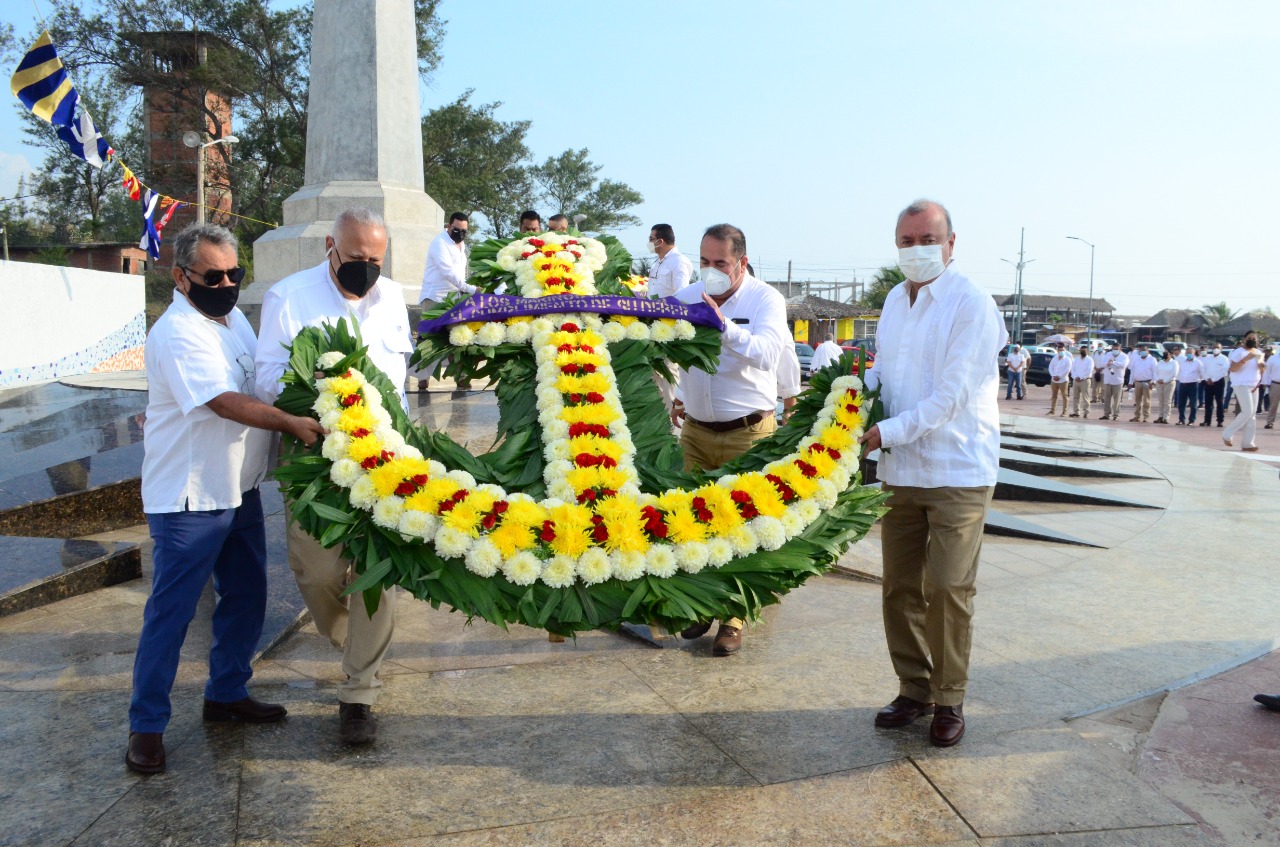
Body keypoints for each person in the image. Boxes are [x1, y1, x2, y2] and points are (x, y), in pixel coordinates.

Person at [126, 224, 324, 775]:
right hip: (190, 498)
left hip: (237, 488)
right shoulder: (178, 331)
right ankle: (146, 727)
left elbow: (261, 377)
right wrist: (290, 422)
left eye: (236, 274)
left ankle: (227, 692)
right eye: (214, 276)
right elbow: (223, 401)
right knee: (172, 613)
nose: (228, 284)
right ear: (181, 277)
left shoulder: (232, 318)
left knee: (246, 596)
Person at [256, 208, 413, 745]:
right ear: (330, 246)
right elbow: (267, 381)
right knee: (318, 571)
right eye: (355, 259)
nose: (365, 269)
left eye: (375, 259)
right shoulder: (289, 297)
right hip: (313, 457)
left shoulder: (392, 298)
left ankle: (359, 693)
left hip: (385, 462)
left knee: (379, 574)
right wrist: (326, 391)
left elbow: (400, 382)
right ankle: (351, 641)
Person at [857, 200, 1006, 748]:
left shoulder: (972, 304)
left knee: (947, 588)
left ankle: (950, 698)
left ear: (950, 243)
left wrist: (886, 433)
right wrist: (846, 407)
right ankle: (913, 689)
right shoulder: (895, 301)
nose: (914, 249)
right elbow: (884, 375)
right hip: (901, 471)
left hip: (957, 469)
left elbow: (951, 396)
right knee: (899, 588)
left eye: (925, 239)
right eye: (905, 239)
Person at [670, 223, 789, 657]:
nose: (710, 270)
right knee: (694, 524)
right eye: (703, 261)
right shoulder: (685, 297)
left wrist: (723, 326)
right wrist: (680, 394)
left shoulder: (765, 299)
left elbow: (767, 352)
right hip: (696, 432)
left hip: (749, 434)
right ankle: (700, 605)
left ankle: (733, 618)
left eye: (720, 263)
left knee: (742, 528)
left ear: (741, 262)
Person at [418, 212, 472, 309]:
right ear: (449, 226)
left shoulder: (463, 245)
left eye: (463, 231)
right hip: (435, 300)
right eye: (456, 230)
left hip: (454, 301)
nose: (460, 234)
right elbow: (448, 272)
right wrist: (470, 288)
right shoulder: (440, 243)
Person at [1223, 330, 1264, 452]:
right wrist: (1245, 359)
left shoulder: (1258, 352)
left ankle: (1248, 443)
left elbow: (1261, 369)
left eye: (1254, 338)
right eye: (1250, 338)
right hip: (1241, 384)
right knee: (1247, 411)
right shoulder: (1238, 352)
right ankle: (1227, 433)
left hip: (1254, 385)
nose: (1252, 340)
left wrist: (1262, 366)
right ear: (1245, 339)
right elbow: (1233, 369)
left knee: (1252, 415)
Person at [647, 223, 693, 300]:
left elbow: (681, 294)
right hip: (652, 310)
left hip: (667, 311)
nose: (649, 243)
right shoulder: (658, 262)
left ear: (660, 241)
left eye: (651, 239)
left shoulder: (679, 262)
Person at [1200, 344, 1229, 427]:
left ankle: (1220, 420)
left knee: (1219, 402)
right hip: (1208, 382)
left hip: (1218, 382)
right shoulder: (1208, 358)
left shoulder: (1224, 359)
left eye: (1218, 348)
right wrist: (1207, 379)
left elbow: (1224, 372)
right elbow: (1203, 369)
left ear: (1221, 349)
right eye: (1214, 347)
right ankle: (1207, 420)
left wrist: (1213, 379)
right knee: (1208, 402)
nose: (1215, 349)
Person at [1100, 341, 1128, 420]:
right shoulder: (1108, 354)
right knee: (1107, 399)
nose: (1114, 350)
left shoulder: (1124, 356)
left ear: (1120, 349)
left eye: (1116, 349)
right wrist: (1107, 364)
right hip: (1108, 379)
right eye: (1113, 349)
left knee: (1117, 399)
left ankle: (1116, 415)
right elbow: (1102, 363)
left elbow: (1123, 365)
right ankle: (1106, 414)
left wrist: (1113, 362)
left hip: (1117, 380)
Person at [1127, 345, 1156, 422]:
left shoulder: (1152, 360)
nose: (1142, 353)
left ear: (1148, 351)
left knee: (1146, 400)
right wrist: (1130, 382)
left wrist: (1153, 382)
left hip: (1147, 382)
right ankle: (1137, 416)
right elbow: (1132, 372)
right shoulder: (1136, 359)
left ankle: (1146, 417)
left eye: (1144, 351)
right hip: (1137, 382)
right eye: (1141, 351)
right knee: (1137, 400)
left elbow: (1155, 372)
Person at [1175, 347, 1201, 425]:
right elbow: (1179, 372)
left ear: (1194, 353)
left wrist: (1198, 380)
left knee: (1193, 404)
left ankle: (1191, 420)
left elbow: (1202, 373)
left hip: (1193, 384)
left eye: (1190, 353)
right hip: (1182, 384)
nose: (1189, 354)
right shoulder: (1182, 362)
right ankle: (1181, 419)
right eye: (1187, 353)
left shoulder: (1198, 362)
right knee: (1181, 404)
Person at [1152, 348, 1179, 424]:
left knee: (1167, 401)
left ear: (1171, 354)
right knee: (1161, 401)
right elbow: (1155, 372)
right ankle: (1160, 416)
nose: (1164, 355)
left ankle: (1166, 417)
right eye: (1164, 353)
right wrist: (1157, 379)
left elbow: (1174, 373)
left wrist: (1165, 380)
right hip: (1159, 383)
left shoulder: (1174, 363)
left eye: (1166, 353)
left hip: (1169, 383)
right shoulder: (1160, 362)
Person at [1069, 345, 1093, 417]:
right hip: (1076, 380)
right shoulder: (1076, 359)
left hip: (1085, 380)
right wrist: (1075, 377)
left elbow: (1089, 371)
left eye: (1085, 350)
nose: (1083, 351)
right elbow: (1072, 369)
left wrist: (1081, 377)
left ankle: (1086, 412)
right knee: (1076, 397)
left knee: (1085, 397)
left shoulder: (1090, 360)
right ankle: (1076, 412)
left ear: (1087, 351)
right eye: (1082, 350)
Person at [1046, 345, 1071, 416]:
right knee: (1054, 395)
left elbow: (1067, 370)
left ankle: (1064, 412)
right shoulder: (1054, 358)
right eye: (1060, 350)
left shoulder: (1067, 359)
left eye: (1063, 350)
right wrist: (1053, 375)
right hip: (1054, 380)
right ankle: (1052, 411)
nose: (1061, 352)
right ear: (1057, 351)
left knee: (1064, 396)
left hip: (1063, 380)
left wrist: (1059, 376)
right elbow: (1050, 367)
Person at [1265, 348, 1280, 429]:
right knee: (1273, 405)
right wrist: (1267, 383)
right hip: (1275, 384)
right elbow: (1267, 371)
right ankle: (1270, 422)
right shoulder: (1273, 358)